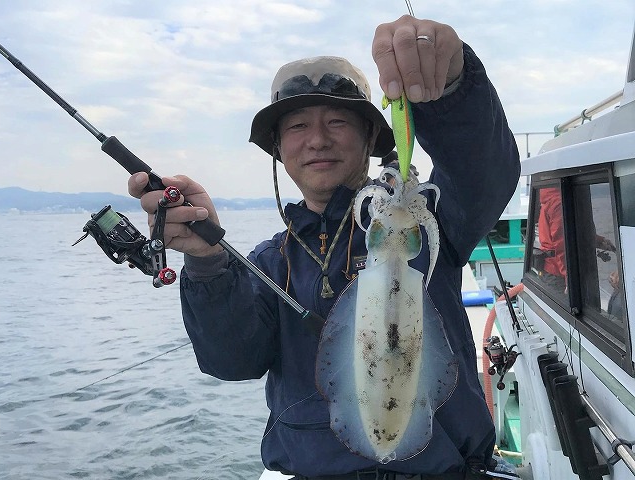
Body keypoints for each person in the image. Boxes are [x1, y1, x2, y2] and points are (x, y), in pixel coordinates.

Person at [128, 15, 520, 480]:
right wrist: (206, 259)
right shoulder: (270, 264)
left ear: (371, 136)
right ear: (278, 148)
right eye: (297, 126)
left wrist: (451, 85)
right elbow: (231, 360)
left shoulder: (431, 225)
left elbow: (481, 169)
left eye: (337, 121)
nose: (317, 140)